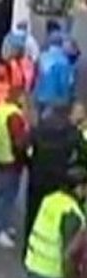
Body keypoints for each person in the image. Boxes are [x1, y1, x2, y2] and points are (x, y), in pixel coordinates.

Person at [26, 105, 82, 247]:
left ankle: (30, 243)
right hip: (59, 179)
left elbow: (26, 149)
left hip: (37, 178)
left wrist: (31, 166)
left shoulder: (38, 130)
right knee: (55, 214)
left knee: (33, 211)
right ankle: (52, 243)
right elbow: (80, 155)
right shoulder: (72, 133)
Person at [0, 87, 29, 249]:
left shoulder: (0, 110)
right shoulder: (15, 116)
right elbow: (19, 142)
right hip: (12, 160)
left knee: (1, 195)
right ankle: (0, 230)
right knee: (7, 197)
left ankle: (1, 226)